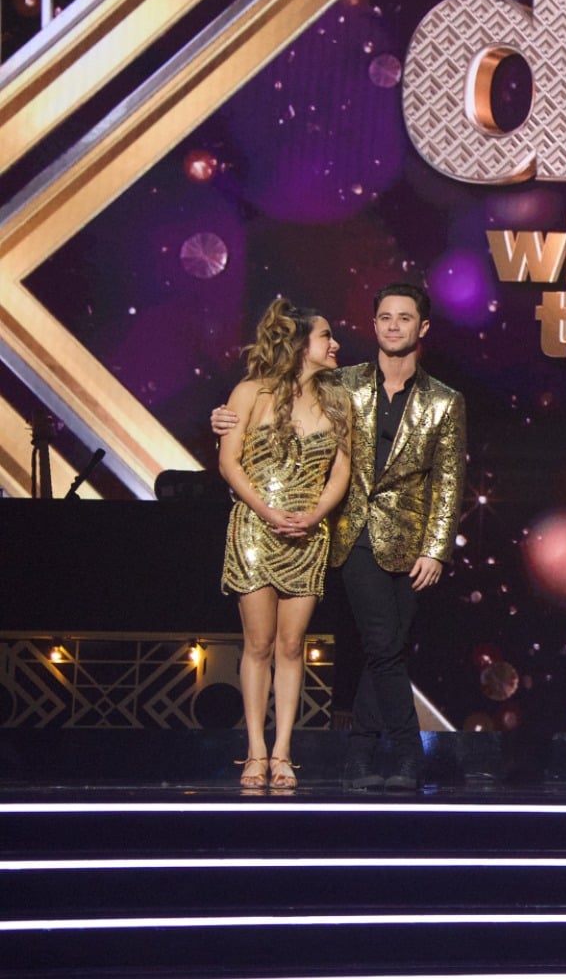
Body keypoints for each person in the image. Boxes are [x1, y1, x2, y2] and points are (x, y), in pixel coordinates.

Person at [214, 283, 467, 791]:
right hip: (346, 534)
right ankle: (405, 755)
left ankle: (355, 755)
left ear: (422, 327)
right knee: (379, 645)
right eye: (385, 317)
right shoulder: (343, 383)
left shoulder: (442, 400)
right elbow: (259, 412)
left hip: (399, 539)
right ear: (374, 324)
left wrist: (436, 548)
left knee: (385, 647)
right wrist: (222, 419)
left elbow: (448, 480)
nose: (393, 326)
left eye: (404, 317)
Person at [217, 298, 352, 790]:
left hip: (308, 535)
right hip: (256, 528)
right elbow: (229, 463)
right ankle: (255, 751)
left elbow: (341, 472)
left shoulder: (338, 403)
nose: (335, 344)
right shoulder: (249, 392)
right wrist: (267, 511)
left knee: (293, 646)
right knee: (258, 644)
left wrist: (314, 515)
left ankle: (283, 753)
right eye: (326, 336)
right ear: (299, 345)